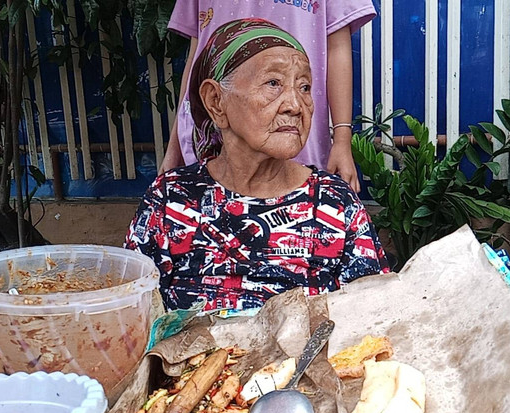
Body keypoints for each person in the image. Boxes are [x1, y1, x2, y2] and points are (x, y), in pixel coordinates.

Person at [126, 19, 389, 313]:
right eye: (273, 83)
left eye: (304, 87)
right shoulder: (170, 200)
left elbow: (374, 318)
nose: (295, 105)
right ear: (216, 101)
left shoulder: (334, 204)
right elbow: (131, 318)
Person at [160, 0, 377, 192]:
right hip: (211, 137)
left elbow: (337, 46)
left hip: (292, 137)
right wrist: (174, 148)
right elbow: (198, 52)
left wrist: (342, 139)